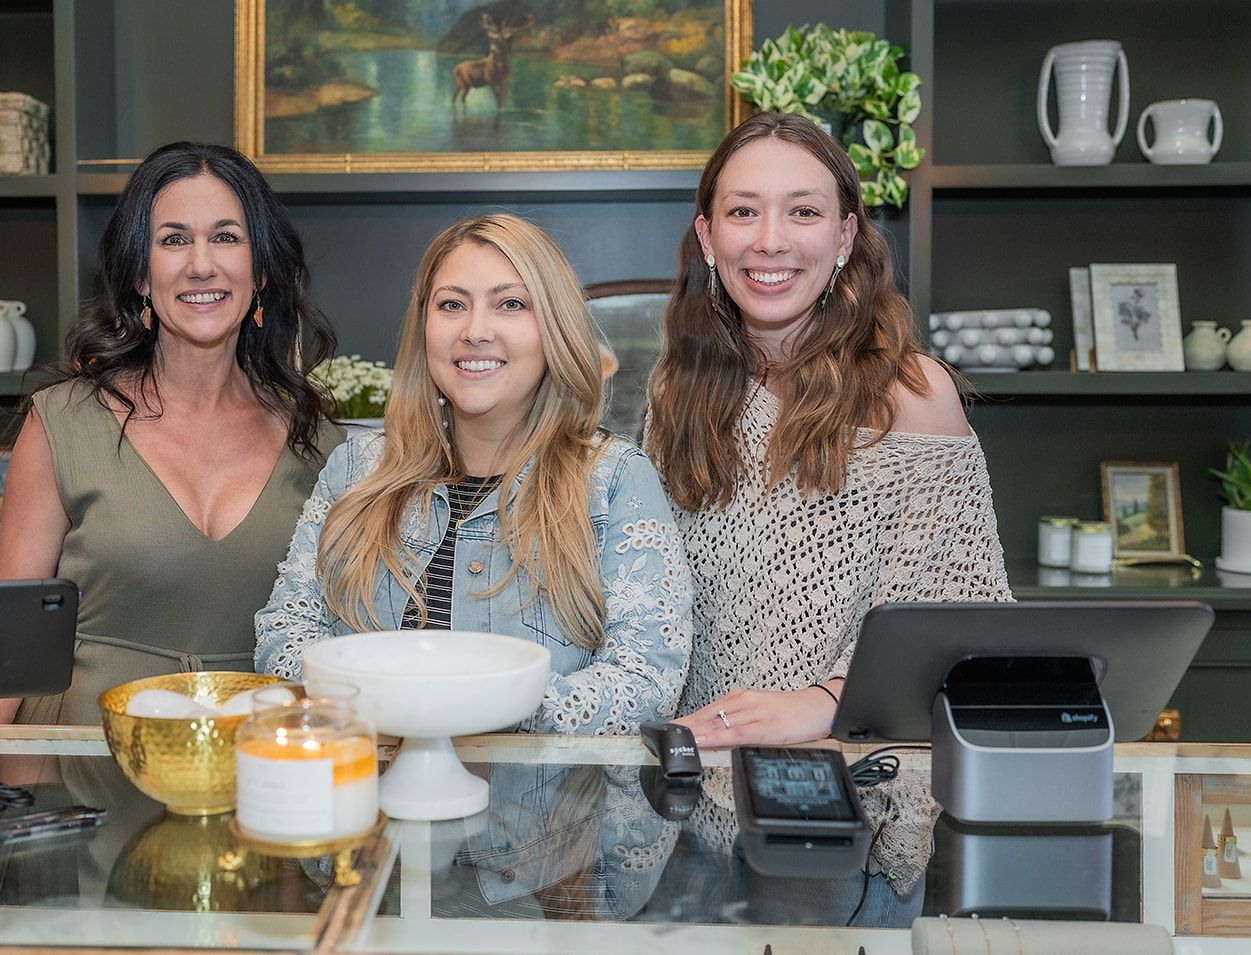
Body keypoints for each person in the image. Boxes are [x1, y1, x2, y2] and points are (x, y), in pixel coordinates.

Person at [644, 111, 1013, 749]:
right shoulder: (675, 394)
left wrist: (823, 703)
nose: (770, 240)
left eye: (804, 212)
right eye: (742, 212)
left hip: (863, 784)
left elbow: (962, 631)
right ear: (708, 238)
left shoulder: (914, 397)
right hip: (695, 787)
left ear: (845, 236)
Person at [255, 213, 693, 734]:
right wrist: (389, 707)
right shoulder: (355, 470)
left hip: (545, 813)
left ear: (553, 327)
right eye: (452, 305)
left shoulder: (613, 480)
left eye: (511, 304)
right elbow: (285, 634)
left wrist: (476, 708)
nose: (475, 331)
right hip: (367, 803)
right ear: (424, 326)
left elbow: (646, 680)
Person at [0, 141, 341, 725]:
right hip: (80, 768)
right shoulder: (62, 423)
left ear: (260, 272)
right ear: (139, 274)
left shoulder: (321, 444)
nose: (201, 264)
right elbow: (12, 643)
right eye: (173, 239)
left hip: (258, 771)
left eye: (226, 237)